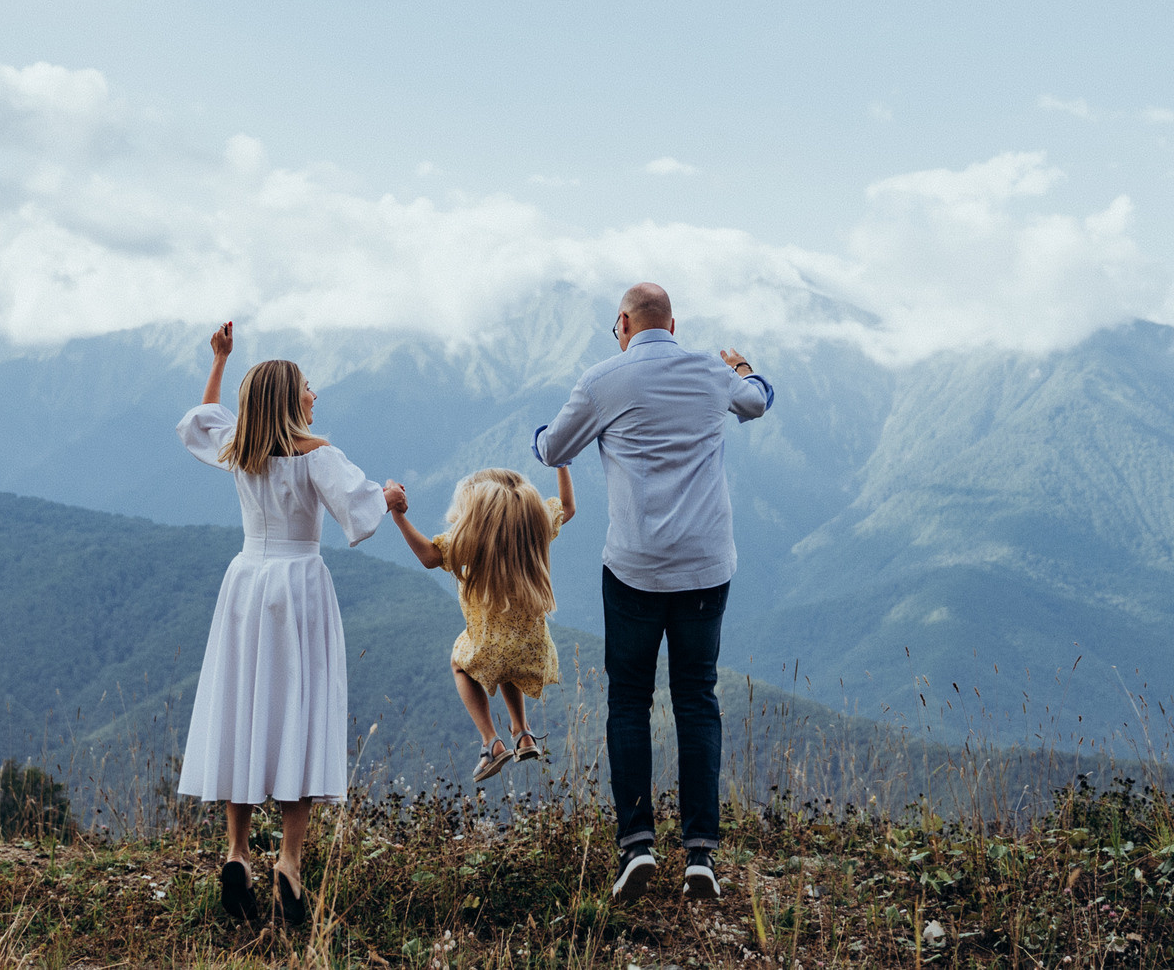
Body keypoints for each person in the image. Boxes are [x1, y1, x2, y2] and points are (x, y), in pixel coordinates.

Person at [533, 282, 774, 904]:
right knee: (697, 698)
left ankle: (636, 843)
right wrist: (740, 365)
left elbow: (553, 448)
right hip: (704, 565)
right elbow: (758, 401)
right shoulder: (708, 373)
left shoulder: (603, 379)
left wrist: (543, 432)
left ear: (622, 323)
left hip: (636, 566)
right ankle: (700, 857)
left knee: (629, 701)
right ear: (675, 321)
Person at [176, 321, 387, 931]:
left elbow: (198, 421)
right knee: (301, 710)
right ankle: (289, 861)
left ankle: (238, 850)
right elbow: (363, 512)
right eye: (308, 388)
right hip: (299, 585)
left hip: (246, 580)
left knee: (245, 709)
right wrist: (391, 496)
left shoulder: (240, 448)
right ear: (292, 400)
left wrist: (218, 361)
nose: (315, 394)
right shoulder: (318, 456)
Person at [383, 465, 578, 782]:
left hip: (490, 645)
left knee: (462, 662)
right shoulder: (535, 526)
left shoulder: (469, 542)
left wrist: (399, 516)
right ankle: (523, 733)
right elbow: (567, 507)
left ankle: (491, 741)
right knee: (505, 661)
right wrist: (561, 462)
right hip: (533, 647)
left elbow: (429, 557)